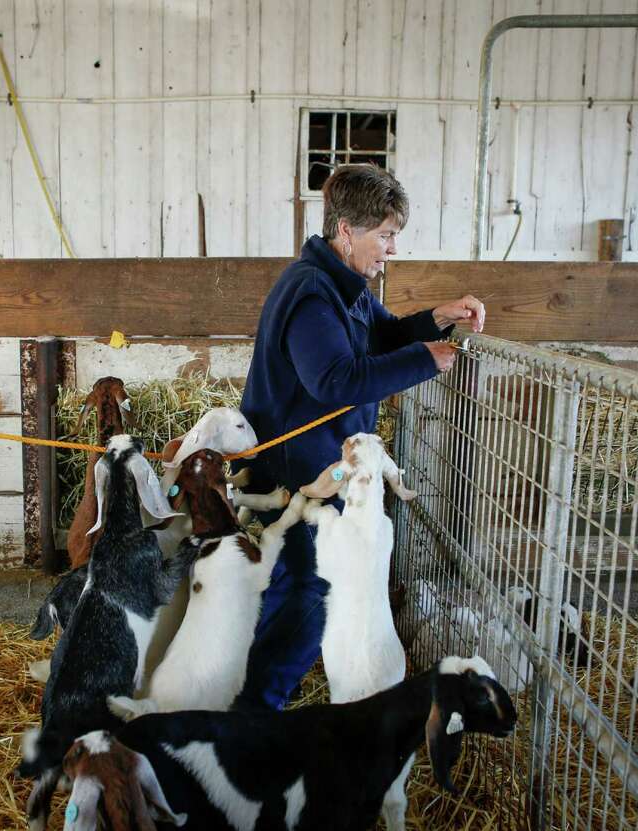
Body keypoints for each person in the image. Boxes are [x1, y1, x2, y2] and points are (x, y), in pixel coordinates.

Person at [234, 164, 485, 710]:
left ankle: (265, 693)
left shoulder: (342, 284)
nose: (392, 249)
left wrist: (434, 321)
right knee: (309, 589)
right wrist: (424, 361)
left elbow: (383, 333)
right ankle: (254, 716)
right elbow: (333, 378)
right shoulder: (312, 293)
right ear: (347, 231)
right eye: (386, 235)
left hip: (319, 465)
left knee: (297, 589)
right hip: (296, 472)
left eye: (394, 235)